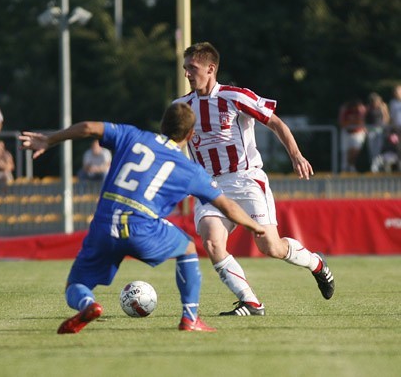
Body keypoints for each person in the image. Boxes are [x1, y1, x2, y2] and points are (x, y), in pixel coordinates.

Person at [19, 102, 267, 334]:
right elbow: (227, 206)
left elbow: (87, 127)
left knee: (76, 285)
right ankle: (190, 318)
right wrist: (254, 225)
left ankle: (87, 304)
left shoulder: (131, 135)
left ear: (162, 125)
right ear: (190, 135)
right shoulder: (191, 170)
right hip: (142, 227)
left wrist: (49, 140)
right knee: (188, 247)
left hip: (104, 224)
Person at [172, 41, 335, 317]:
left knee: (270, 246)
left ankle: (316, 263)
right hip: (209, 185)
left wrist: (296, 155)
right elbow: (171, 143)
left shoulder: (235, 96)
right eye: (185, 67)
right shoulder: (180, 107)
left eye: (192, 68)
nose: (187, 73)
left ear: (210, 69)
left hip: (245, 180)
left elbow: (275, 122)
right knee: (212, 243)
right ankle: (250, 302)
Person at [338, 99, 367, 172]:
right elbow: (342, 123)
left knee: (355, 151)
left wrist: (352, 122)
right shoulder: (346, 110)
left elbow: (360, 122)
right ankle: (344, 168)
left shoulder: (360, 110)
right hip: (347, 133)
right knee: (345, 151)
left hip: (357, 133)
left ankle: (351, 166)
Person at [365, 92, 390, 166]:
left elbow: (386, 117)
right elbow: (365, 118)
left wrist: (384, 126)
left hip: (380, 129)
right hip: (371, 129)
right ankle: (373, 165)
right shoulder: (369, 107)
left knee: (379, 148)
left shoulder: (383, 106)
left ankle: (377, 165)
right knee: (371, 148)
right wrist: (365, 128)